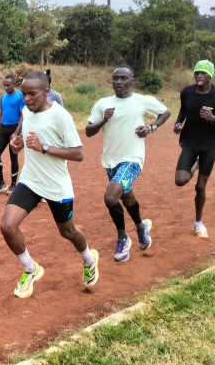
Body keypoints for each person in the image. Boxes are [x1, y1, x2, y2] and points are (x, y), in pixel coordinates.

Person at [1, 71, 99, 298]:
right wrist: (19, 145)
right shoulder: (25, 112)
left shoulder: (60, 116)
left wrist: (43, 147)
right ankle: (30, 268)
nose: (26, 99)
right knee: (7, 226)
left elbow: (78, 153)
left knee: (68, 231)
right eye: (23, 94)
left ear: (46, 92)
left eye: (32, 94)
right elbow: (28, 140)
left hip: (56, 186)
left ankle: (88, 259)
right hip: (30, 181)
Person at [86, 64, 170, 262]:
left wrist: (151, 127)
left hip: (133, 159)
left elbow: (165, 112)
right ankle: (141, 227)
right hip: (110, 161)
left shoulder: (143, 101)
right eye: (115, 78)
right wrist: (103, 121)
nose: (118, 82)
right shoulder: (103, 103)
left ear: (132, 81)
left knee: (110, 197)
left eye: (124, 78)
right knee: (127, 199)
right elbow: (89, 131)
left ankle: (123, 238)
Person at [173, 60, 215, 238]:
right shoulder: (187, 92)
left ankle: (198, 223)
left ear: (210, 76)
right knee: (180, 180)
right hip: (190, 140)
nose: (199, 75)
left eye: (203, 73)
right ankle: (195, 164)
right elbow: (183, 111)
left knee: (200, 186)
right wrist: (178, 122)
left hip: (210, 144)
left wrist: (213, 118)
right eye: (197, 72)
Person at [0, 74, 25, 195]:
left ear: (14, 84)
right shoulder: (3, 97)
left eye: (8, 85)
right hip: (3, 129)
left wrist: (16, 133)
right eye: (4, 85)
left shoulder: (19, 95)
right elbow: (0, 115)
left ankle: (14, 184)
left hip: (15, 128)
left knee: (13, 157)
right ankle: (1, 183)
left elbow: (22, 116)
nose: (5, 87)